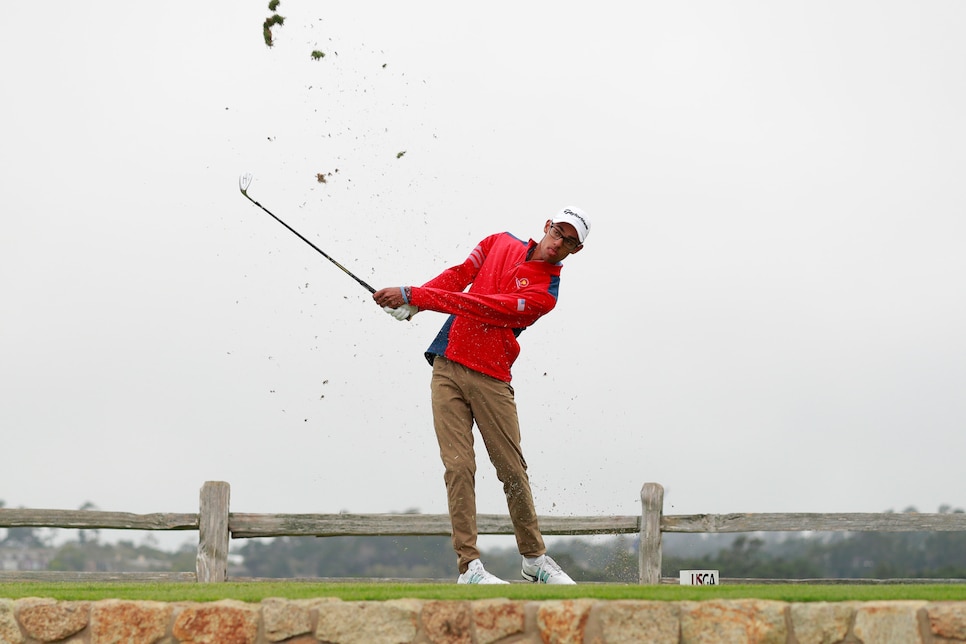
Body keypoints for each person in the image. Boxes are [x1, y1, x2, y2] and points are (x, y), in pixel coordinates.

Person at [373, 207, 590, 585]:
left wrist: (413, 294)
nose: (559, 243)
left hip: (492, 377)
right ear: (546, 226)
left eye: (570, 241)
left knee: (511, 470)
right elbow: (458, 278)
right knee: (458, 467)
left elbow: (482, 306)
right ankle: (469, 568)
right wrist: (416, 303)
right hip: (447, 366)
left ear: (577, 250)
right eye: (558, 231)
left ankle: (534, 559)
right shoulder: (497, 242)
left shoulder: (545, 294)